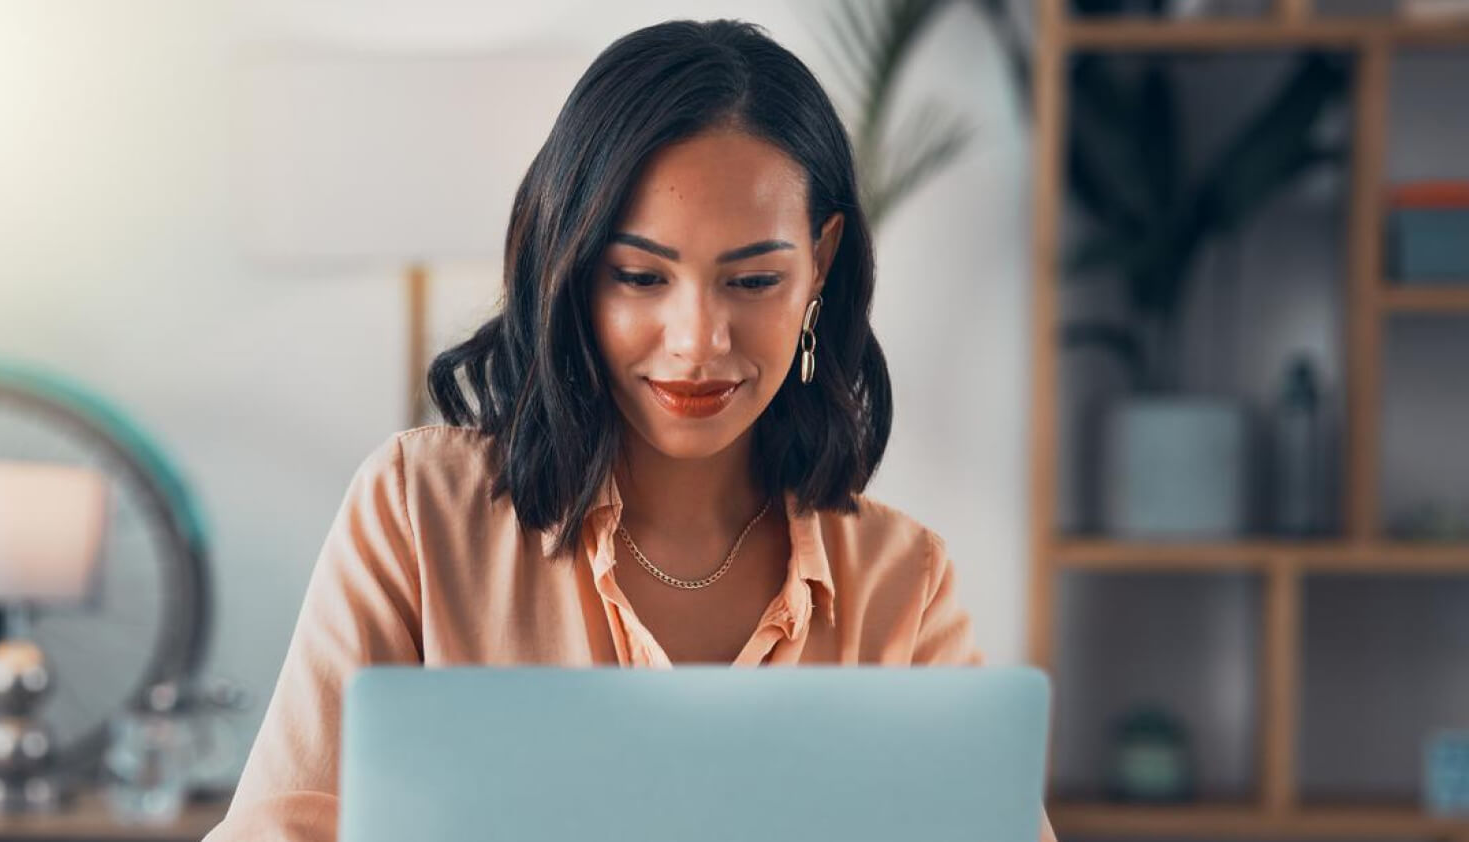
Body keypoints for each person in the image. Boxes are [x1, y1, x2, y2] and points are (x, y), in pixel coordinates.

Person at [204, 18, 1056, 842]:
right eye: (641, 277)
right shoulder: (417, 515)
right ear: (572, 270)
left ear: (821, 265)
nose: (698, 341)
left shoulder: (900, 583)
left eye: (754, 280)